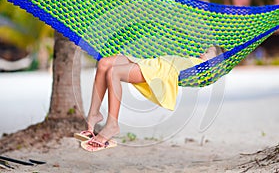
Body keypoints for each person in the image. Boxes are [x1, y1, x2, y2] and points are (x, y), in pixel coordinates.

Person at [76, 45, 225, 151]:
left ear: (213, 62)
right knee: (104, 63)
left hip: (159, 71)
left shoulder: (201, 67)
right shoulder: (193, 59)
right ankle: (94, 114)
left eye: (207, 53)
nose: (202, 54)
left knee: (113, 72)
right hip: (153, 62)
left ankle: (112, 125)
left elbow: (205, 71)